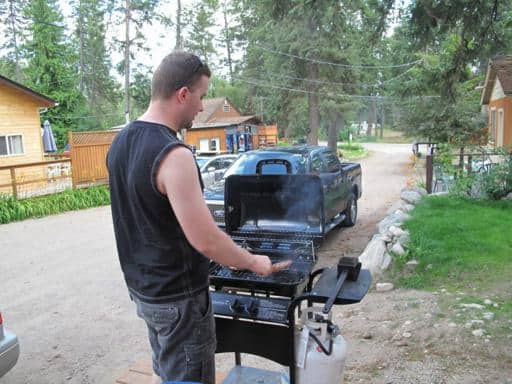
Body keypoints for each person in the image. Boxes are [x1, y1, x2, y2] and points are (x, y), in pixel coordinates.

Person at [106, 52, 282, 384]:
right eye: (200, 97)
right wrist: (252, 261)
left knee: (167, 372)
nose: (201, 107)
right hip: (179, 301)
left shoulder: (120, 143)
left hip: (145, 293)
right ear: (182, 94)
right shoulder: (173, 154)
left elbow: (146, 218)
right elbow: (205, 240)